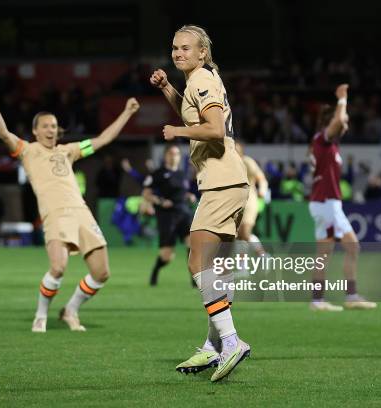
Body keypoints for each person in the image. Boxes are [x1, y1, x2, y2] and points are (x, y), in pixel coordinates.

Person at [0, 84, 140, 333]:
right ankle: (41, 315)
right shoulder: (27, 151)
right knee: (58, 267)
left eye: (54, 126)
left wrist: (127, 112)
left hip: (81, 212)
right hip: (55, 215)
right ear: (35, 131)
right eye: (45, 126)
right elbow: (4, 133)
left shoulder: (69, 151)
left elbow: (103, 139)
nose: (50, 130)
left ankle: (70, 310)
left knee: (102, 273)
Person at [150, 24, 250, 382]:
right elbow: (195, 114)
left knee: (197, 260)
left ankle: (231, 340)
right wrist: (166, 89)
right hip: (233, 181)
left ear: (202, 53)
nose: (178, 53)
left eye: (186, 48)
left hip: (221, 181)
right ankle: (212, 347)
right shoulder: (197, 81)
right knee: (220, 269)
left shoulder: (201, 79)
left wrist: (177, 133)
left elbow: (213, 129)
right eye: (175, 48)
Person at [308, 84, 377, 312]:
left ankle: (319, 300)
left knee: (326, 253)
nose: (345, 125)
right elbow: (338, 121)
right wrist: (342, 99)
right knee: (353, 246)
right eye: (343, 121)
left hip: (324, 203)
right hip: (327, 204)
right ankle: (349, 295)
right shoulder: (323, 140)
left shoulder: (328, 145)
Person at [142, 143, 196, 286]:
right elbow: (146, 194)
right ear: (165, 156)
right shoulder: (158, 174)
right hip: (167, 216)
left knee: (192, 244)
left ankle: (194, 279)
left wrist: (189, 196)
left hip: (184, 212)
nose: (174, 156)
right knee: (167, 256)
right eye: (171, 153)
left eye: (177, 154)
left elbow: (182, 192)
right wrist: (160, 201)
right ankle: (156, 270)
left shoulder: (182, 174)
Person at [234, 141, 269, 257]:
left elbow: (261, 178)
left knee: (245, 231)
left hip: (249, 201)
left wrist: (262, 190)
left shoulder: (247, 162)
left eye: (236, 149)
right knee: (238, 235)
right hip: (235, 203)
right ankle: (242, 268)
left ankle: (263, 256)